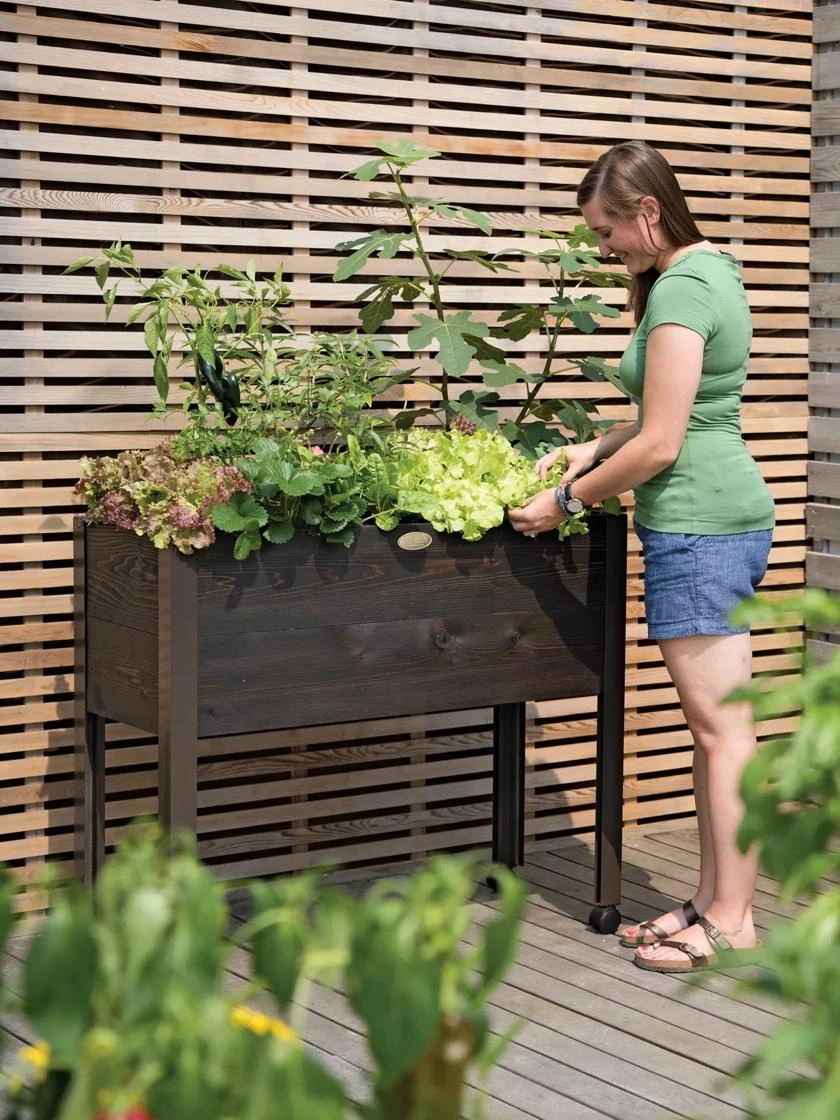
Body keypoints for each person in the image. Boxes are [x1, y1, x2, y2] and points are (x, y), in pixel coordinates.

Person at [508, 140, 775, 973]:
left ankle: (733, 921)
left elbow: (664, 443)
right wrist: (595, 446)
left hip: (699, 525)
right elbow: (683, 414)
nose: (602, 248)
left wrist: (565, 503)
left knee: (723, 732)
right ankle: (711, 901)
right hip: (715, 516)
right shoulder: (709, 269)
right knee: (714, 731)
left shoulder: (684, 289)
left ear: (648, 210)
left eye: (606, 230)